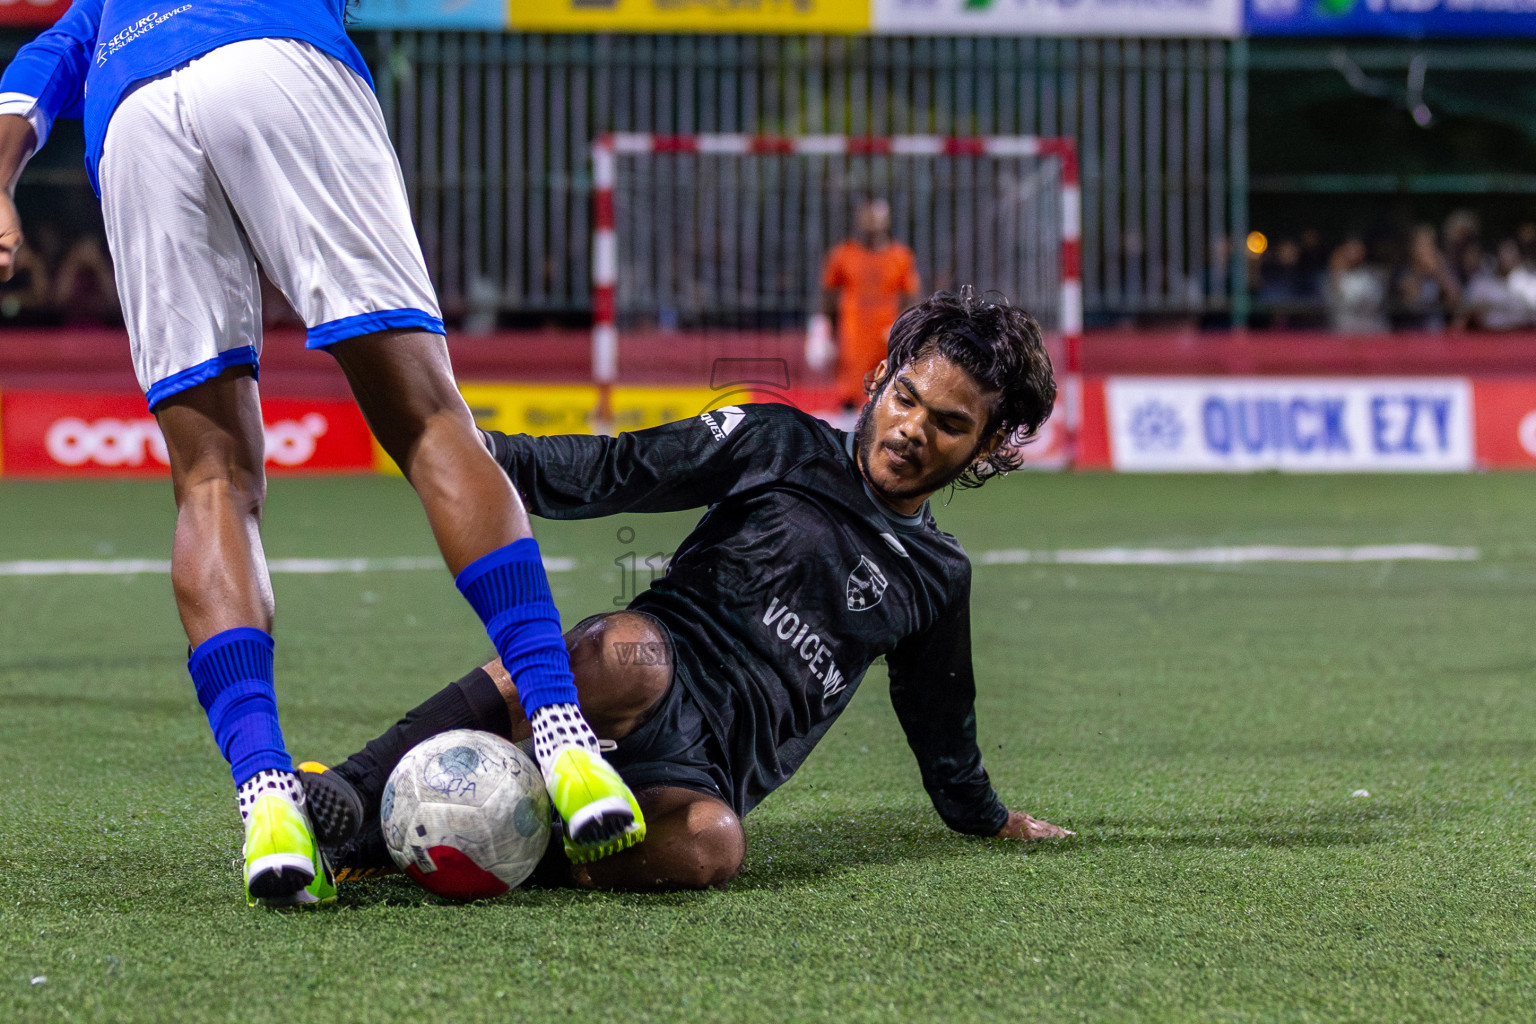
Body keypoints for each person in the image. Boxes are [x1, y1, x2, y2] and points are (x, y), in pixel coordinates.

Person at [0, 0, 641, 907]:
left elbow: (58, 44)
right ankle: (564, 734)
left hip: (131, 106)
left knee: (209, 480)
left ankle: (266, 799)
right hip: (275, 54)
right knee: (426, 418)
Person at [301, 289, 1073, 893]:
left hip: (701, 772)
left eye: (947, 423)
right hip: (647, 677)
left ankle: (490, 851)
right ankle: (349, 798)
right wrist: (470, 454)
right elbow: (617, 470)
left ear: (986, 449)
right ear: (878, 380)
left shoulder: (936, 576)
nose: (911, 428)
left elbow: (942, 723)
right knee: (621, 652)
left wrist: (986, 818)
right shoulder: (780, 443)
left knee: (714, 844)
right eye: (906, 398)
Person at [809, 199, 921, 412]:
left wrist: (903, 325)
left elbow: (910, 295)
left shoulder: (901, 257)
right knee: (850, 386)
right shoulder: (844, 254)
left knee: (887, 382)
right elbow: (829, 293)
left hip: (886, 332)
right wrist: (821, 327)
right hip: (854, 331)